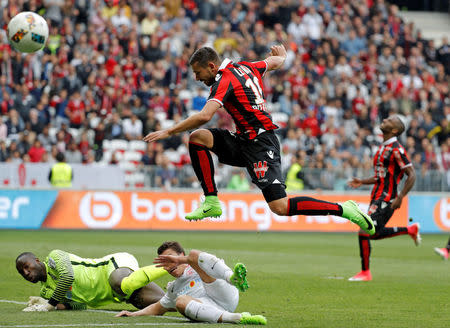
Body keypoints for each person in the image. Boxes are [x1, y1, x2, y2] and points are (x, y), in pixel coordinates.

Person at [143, 45, 375, 235]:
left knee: (280, 207)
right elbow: (271, 62)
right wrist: (282, 56)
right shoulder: (246, 66)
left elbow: (205, 115)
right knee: (198, 139)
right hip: (243, 140)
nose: (196, 78)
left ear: (212, 66)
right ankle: (211, 200)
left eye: (198, 73)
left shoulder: (224, 80)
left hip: (262, 144)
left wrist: (168, 132)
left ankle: (344, 209)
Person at [116, 241, 267, 325]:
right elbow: (157, 308)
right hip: (213, 308)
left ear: (180, 256)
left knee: (195, 255)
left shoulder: (196, 263)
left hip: (225, 292)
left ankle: (232, 278)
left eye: (170, 258)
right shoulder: (174, 288)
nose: (168, 264)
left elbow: (196, 258)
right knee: (180, 301)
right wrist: (133, 314)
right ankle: (236, 318)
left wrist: (182, 260)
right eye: (164, 262)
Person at [347, 116, 421, 282]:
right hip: (376, 196)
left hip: (387, 198)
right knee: (373, 233)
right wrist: (362, 181)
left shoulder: (397, 149)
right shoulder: (382, 148)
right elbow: (382, 176)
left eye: (390, 120)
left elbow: (412, 175)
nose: (386, 119)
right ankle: (410, 230)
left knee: (364, 230)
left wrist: (401, 196)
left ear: (394, 130)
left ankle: (365, 273)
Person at [16, 250, 167, 311]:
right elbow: (80, 305)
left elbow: (68, 277)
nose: (26, 273)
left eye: (27, 266)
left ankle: (171, 265)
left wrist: (49, 305)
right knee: (168, 302)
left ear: (36, 260)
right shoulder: (46, 291)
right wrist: (56, 306)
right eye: (22, 272)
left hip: (112, 266)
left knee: (119, 282)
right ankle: (183, 289)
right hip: (121, 294)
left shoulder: (55, 257)